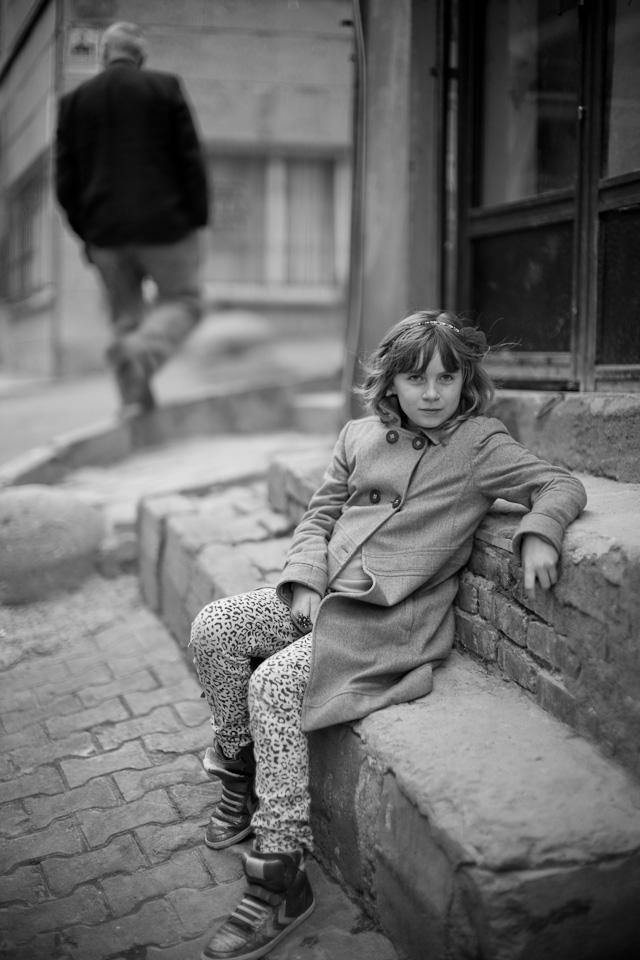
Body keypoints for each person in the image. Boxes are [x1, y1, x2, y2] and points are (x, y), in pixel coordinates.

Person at [189, 309, 587, 960]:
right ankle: (240, 766)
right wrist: (305, 582)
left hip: (385, 619)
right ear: (390, 383)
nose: (432, 392)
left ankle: (280, 872)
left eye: (447, 378)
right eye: (416, 378)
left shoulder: (480, 444)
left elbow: (556, 483)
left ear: (466, 383)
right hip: (324, 594)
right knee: (216, 628)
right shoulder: (358, 436)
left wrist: (541, 531)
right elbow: (318, 517)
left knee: (274, 684)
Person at [55, 22, 210, 417]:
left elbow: (65, 182)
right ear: (140, 56)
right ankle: (141, 355)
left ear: (103, 55)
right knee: (185, 302)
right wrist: (197, 218)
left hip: (105, 234)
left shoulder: (75, 102)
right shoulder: (164, 88)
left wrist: (87, 236)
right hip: (166, 227)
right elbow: (190, 160)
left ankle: (133, 407)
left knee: (126, 320)